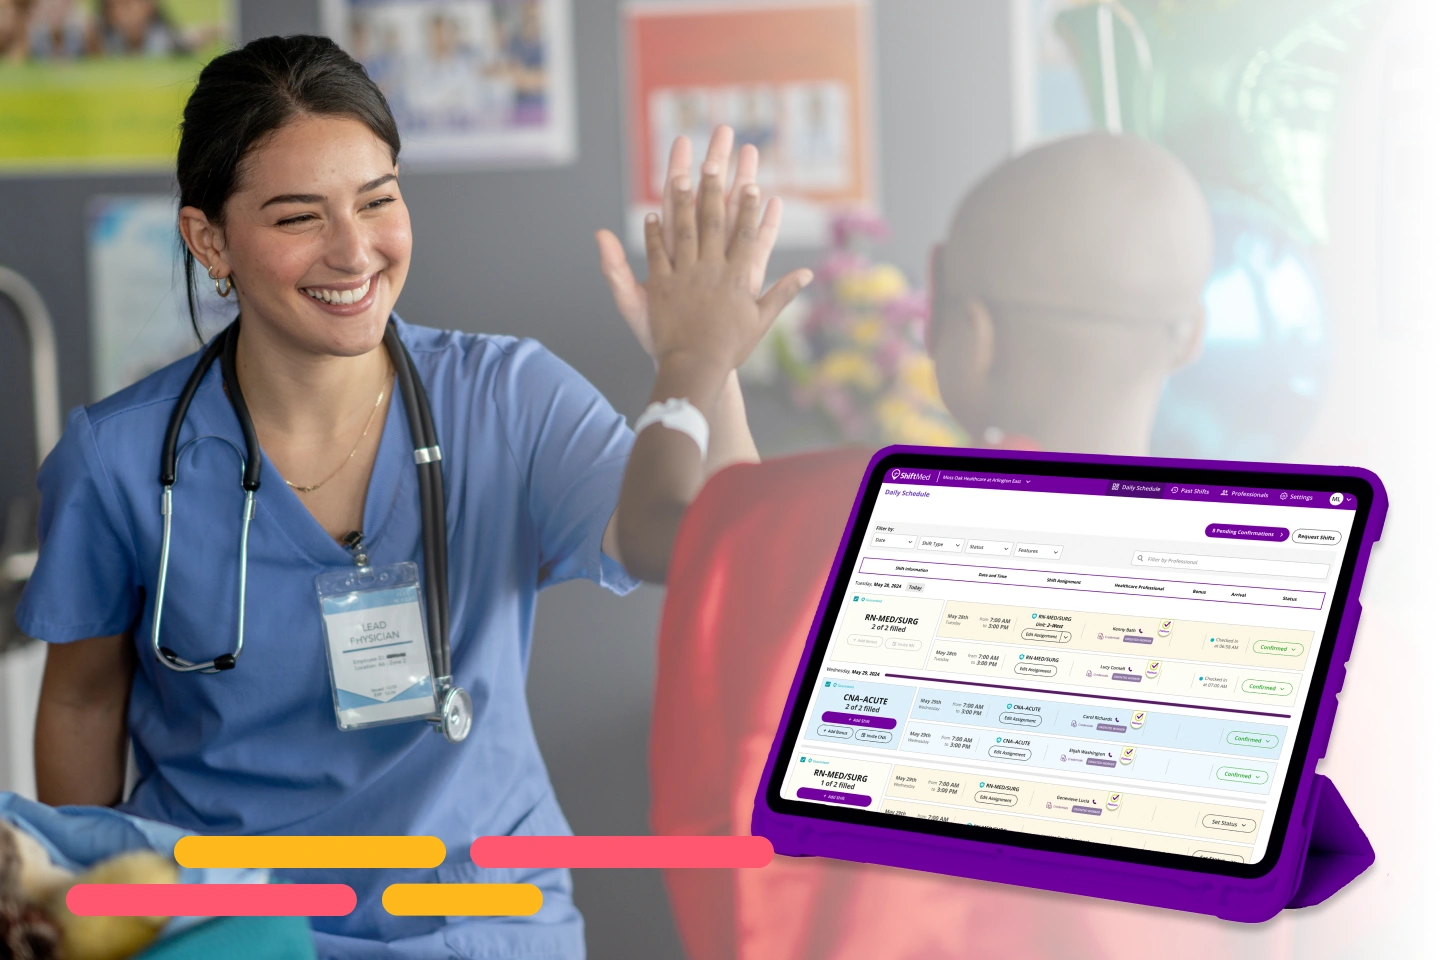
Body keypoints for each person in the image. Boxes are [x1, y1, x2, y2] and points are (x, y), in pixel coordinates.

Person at [17, 34, 810, 959]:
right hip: (235, 928)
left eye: (378, 200)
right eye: (297, 217)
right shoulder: (118, 458)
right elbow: (78, 704)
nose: (354, 251)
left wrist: (705, 362)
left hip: (484, 921)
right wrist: (89, 912)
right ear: (209, 240)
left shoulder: (509, 398)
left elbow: (699, 549)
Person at [637, 132, 1293, 960]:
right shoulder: (1282, 575)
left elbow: (667, 527)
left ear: (962, 326)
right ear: (1190, 333)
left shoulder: (843, 518)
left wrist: (693, 360)